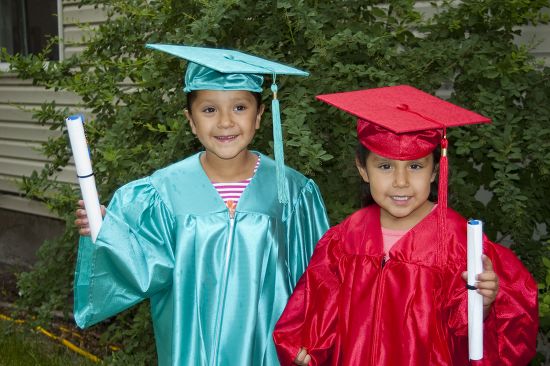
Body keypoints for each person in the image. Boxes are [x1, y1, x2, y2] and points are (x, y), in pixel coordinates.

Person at [73, 44, 330, 366]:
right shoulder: (163, 192)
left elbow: (317, 276)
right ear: (191, 120)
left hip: (268, 346)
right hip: (192, 346)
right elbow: (149, 267)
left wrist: (316, 336)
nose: (225, 122)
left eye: (239, 107)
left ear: (260, 116)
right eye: (209, 110)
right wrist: (110, 231)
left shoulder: (292, 190)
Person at [273, 85, 538, 365]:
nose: (401, 182)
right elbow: (317, 305)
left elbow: (484, 329)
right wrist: (307, 347)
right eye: (385, 167)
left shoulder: (460, 243)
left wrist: (483, 305)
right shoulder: (345, 239)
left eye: (415, 166)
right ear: (363, 169)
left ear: (435, 170)